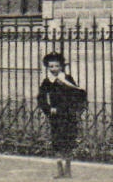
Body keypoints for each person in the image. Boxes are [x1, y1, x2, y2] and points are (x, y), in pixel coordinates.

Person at [38, 50, 87, 179]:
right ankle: (60, 170)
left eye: (57, 66)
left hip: (68, 115)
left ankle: (68, 168)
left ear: (61, 66)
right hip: (56, 117)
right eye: (51, 66)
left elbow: (78, 93)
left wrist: (76, 108)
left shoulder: (67, 79)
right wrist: (48, 109)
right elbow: (41, 98)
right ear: (47, 67)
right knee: (57, 141)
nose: (54, 69)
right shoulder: (47, 81)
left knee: (69, 140)